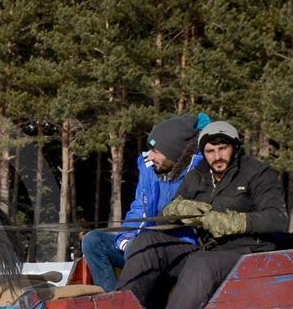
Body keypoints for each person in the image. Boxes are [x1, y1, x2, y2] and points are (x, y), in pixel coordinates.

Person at [115, 120, 289, 309]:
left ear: (235, 148)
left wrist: (232, 222)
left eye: (223, 149)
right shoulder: (198, 176)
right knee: (148, 242)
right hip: (206, 250)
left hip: (247, 254)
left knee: (201, 262)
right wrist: (179, 209)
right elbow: (166, 216)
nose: (217, 157)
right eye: (210, 151)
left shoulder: (258, 174)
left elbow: (277, 218)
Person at [81, 113, 210, 291]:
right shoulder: (150, 170)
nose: (149, 156)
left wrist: (135, 244)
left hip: (177, 250)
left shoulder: (197, 175)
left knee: (139, 247)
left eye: (155, 151)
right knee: (93, 241)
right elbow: (139, 207)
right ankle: (110, 299)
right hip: (141, 245)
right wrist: (125, 238)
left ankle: (134, 304)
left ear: (174, 152)